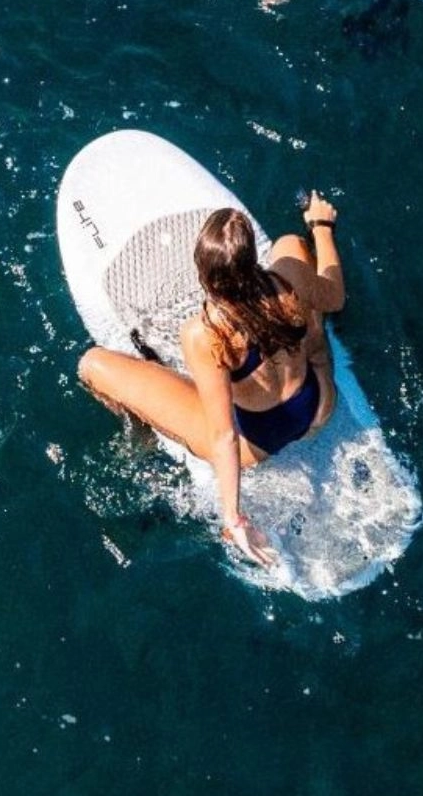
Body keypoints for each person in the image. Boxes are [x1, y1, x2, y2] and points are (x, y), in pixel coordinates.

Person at [76, 194, 345, 567]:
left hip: (260, 444)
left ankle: (144, 433)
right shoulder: (289, 278)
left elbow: (224, 436)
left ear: (203, 273)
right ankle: (313, 339)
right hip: (317, 404)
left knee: (93, 365)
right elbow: (335, 296)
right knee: (291, 243)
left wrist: (234, 519)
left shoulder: (206, 333)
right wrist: (322, 228)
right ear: (251, 260)